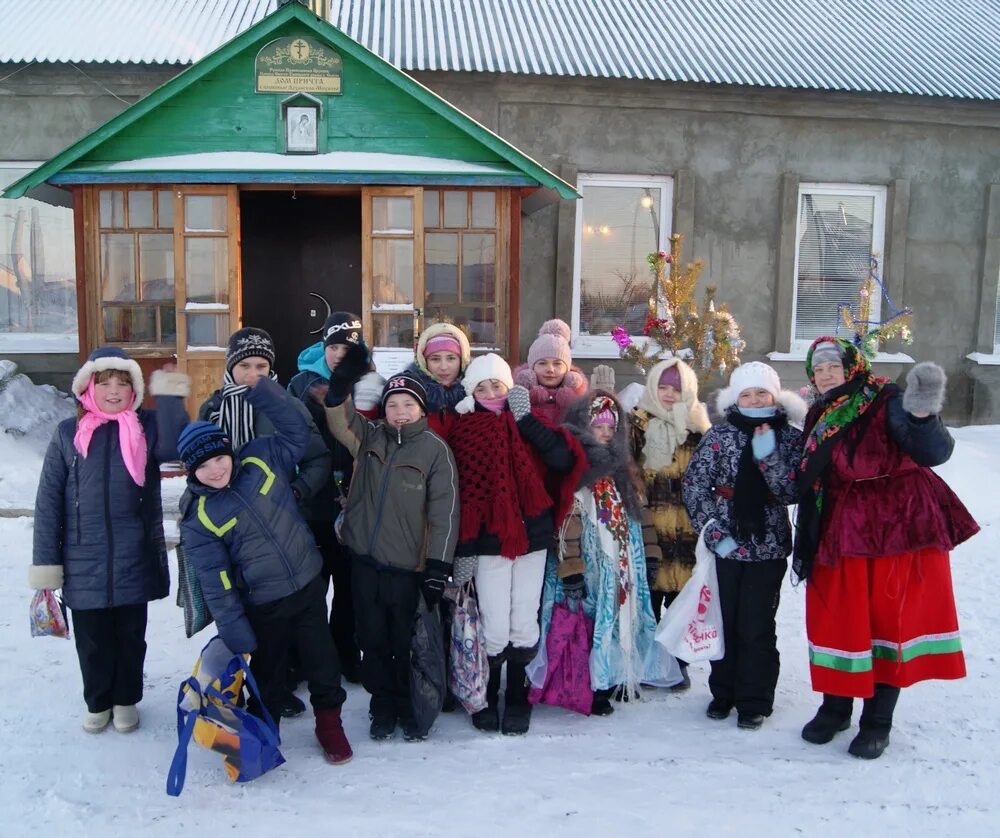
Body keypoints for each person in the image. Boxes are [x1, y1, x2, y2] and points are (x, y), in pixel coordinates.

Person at [793, 337, 979, 759]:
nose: (825, 375)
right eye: (818, 369)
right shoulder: (822, 411)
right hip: (839, 527)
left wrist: (921, 415)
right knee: (838, 619)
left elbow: (934, 452)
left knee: (885, 623)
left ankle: (877, 721)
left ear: (853, 366)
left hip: (894, 529)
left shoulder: (886, 399)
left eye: (832, 366)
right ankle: (835, 708)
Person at [177, 376, 353, 765]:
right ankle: (262, 733)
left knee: (323, 664)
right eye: (203, 466)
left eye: (220, 458)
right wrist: (234, 629)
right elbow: (216, 581)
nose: (216, 469)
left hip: (307, 585)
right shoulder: (200, 517)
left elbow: (296, 429)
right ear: (190, 471)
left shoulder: (260, 458)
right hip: (264, 604)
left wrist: (264, 390)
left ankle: (329, 724)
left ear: (230, 452)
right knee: (269, 677)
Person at [29, 347, 189, 734]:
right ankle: (98, 700)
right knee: (92, 640)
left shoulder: (146, 426)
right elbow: (49, 501)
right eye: (105, 383)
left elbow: (175, 446)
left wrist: (168, 395)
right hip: (82, 560)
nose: (114, 391)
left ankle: (125, 700)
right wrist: (47, 564)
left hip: (134, 555)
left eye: (123, 383)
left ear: (134, 388)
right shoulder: (69, 434)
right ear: (88, 387)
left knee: (131, 637)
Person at [199, 326, 332, 717]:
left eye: (261, 365)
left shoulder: (285, 406)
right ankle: (255, 687)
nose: (253, 373)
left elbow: (317, 456)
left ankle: (285, 682)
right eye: (244, 365)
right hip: (234, 532)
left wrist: (297, 493)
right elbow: (197, 464)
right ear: (230, 367)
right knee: (249, 611)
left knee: (291, 613)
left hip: (281, 523)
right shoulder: (213, 409)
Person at [323, 363, 459, 742]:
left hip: (407, 569)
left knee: (405, 643)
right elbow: (341, 422)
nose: (400, 412)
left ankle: (408, 704)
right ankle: (381, 706)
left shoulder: (435, 451)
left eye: (408, 405)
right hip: (365, 561)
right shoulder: (370, 439)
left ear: (421, 410)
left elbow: (445, 512)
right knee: (372, 639)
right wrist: (339, 390)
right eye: (393, 404)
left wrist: (437, 566)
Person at [447, 353, 580, 735]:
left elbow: (560, 460)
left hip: (532, 536)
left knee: (524, 619)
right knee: (492, 623)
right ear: (471, 391)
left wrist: (524, 421)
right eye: (482, 386)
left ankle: (518, 696)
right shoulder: (464, 429)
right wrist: (466, 552)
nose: (491, 392)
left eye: (498, 385)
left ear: (511, 387)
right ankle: (486, 694)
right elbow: (464, 498)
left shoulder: (530, 420)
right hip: (488, 541)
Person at [540, 387, 682, 715]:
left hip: (622, 563)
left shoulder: (622, 468)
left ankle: (615, 675)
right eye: (597, 427)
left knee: (621, 618)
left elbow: (640, 512)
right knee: (591, 620)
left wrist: (649, 552)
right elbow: (566, 524)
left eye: (609, 428)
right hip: (589, 563)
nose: (603, 434)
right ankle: (592, 684)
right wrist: (571, 567)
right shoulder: (576, 468)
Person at [682, 362, 805, 730]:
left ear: (774, 395)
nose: (754, 400)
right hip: (726, 543)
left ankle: (754, 700)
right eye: (746, 394)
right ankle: (724, 692)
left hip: (767, 546)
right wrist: (711, 530)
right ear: (736, 399)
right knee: (724, 621)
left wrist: (769, 459)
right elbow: (695, 485)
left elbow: (791, 492)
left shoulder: (790, 438)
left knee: (757, 625)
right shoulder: (719, 436)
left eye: (761, 393)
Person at [288, 312, 385, 683]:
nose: (340, 355)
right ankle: (305, 659)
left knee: (349, 589)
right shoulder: (302, 384)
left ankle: (346, 652)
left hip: (356, 503)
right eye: (334, 347)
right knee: (310, 588)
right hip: (313, 503)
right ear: (323, 348)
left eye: (348, 347)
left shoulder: (373, 385)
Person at [629, 357, 711, 691]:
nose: (667, 394)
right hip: (648, 528)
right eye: (662, 387)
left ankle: (677, 663)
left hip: (687, 532)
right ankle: (649, 659)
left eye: (675, 389)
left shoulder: (698, 429)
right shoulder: (637, 424)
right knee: (648, 598)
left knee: (682, 603)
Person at [512, 319, 588, 425]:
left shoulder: (579, 403)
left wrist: (604, 394)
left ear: (568, 370)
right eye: (542, 363)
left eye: (557, 364)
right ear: (531, 370)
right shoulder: (517, 401)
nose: (550, 369)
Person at [403, 320, 471, 436]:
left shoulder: (477, 392)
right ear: (424, 362)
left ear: (462, 360)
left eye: (451, 358)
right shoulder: (409, 393)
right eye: (435, 359)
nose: (444, 367)